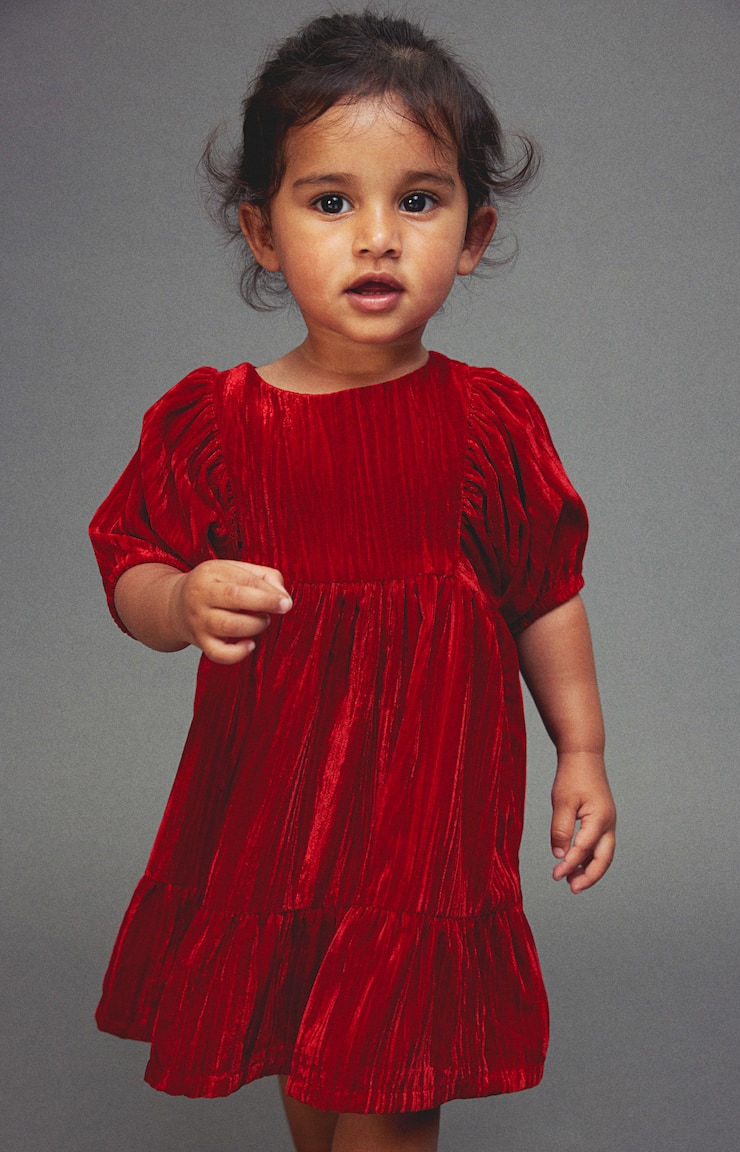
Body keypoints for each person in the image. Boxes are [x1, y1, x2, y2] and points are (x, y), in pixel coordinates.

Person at [89, 11, 616, 1152]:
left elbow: (544, 590)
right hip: (276, 805)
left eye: (417, 201)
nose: (377, 238)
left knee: (390, 1066)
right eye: (331, 202)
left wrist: (581, 748)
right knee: (309, 1042)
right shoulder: (217, 422)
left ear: (472, 235)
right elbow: (132, 563)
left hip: (427, 810)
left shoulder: (486, 422)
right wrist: (181, 601)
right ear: (262, 230)